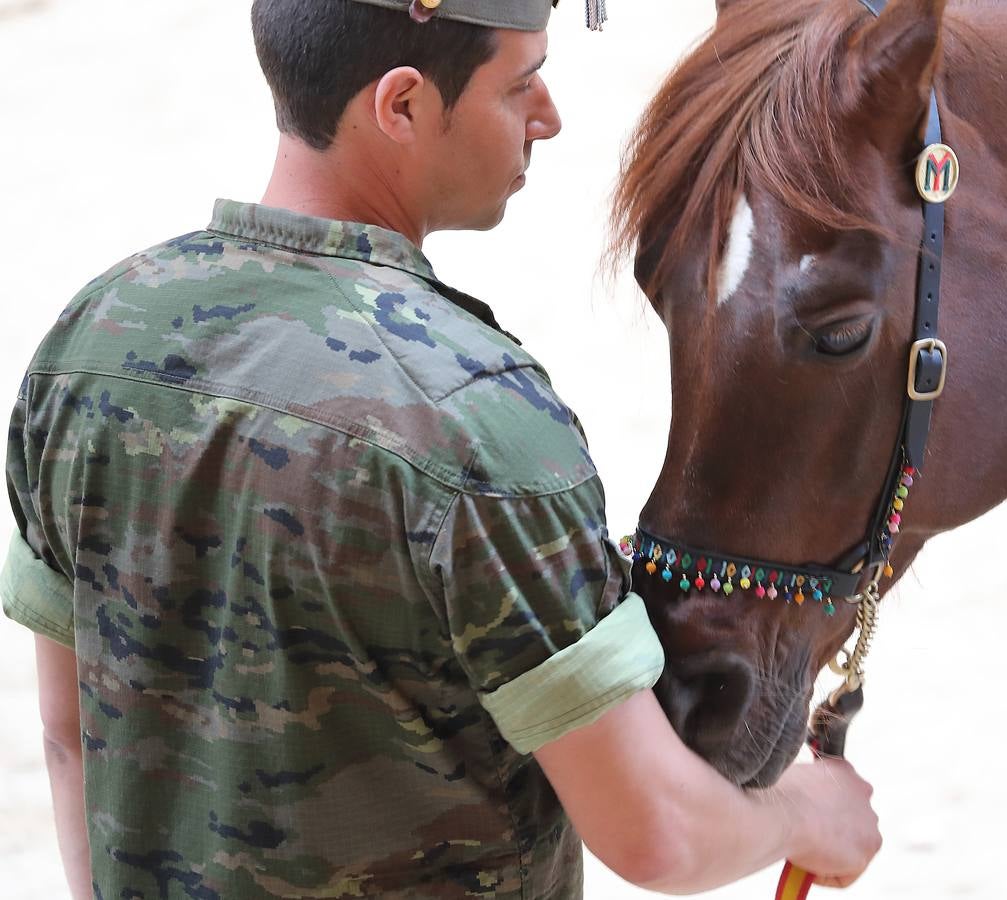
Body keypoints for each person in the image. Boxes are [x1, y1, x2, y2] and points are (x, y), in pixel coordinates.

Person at [0, 0, 882, 897]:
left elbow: (69, 735)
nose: (549, 116)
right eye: (522, 83)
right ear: (404, 106)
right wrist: (811, 814)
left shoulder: (91, 343)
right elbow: (655, 830)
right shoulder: (473, 419)